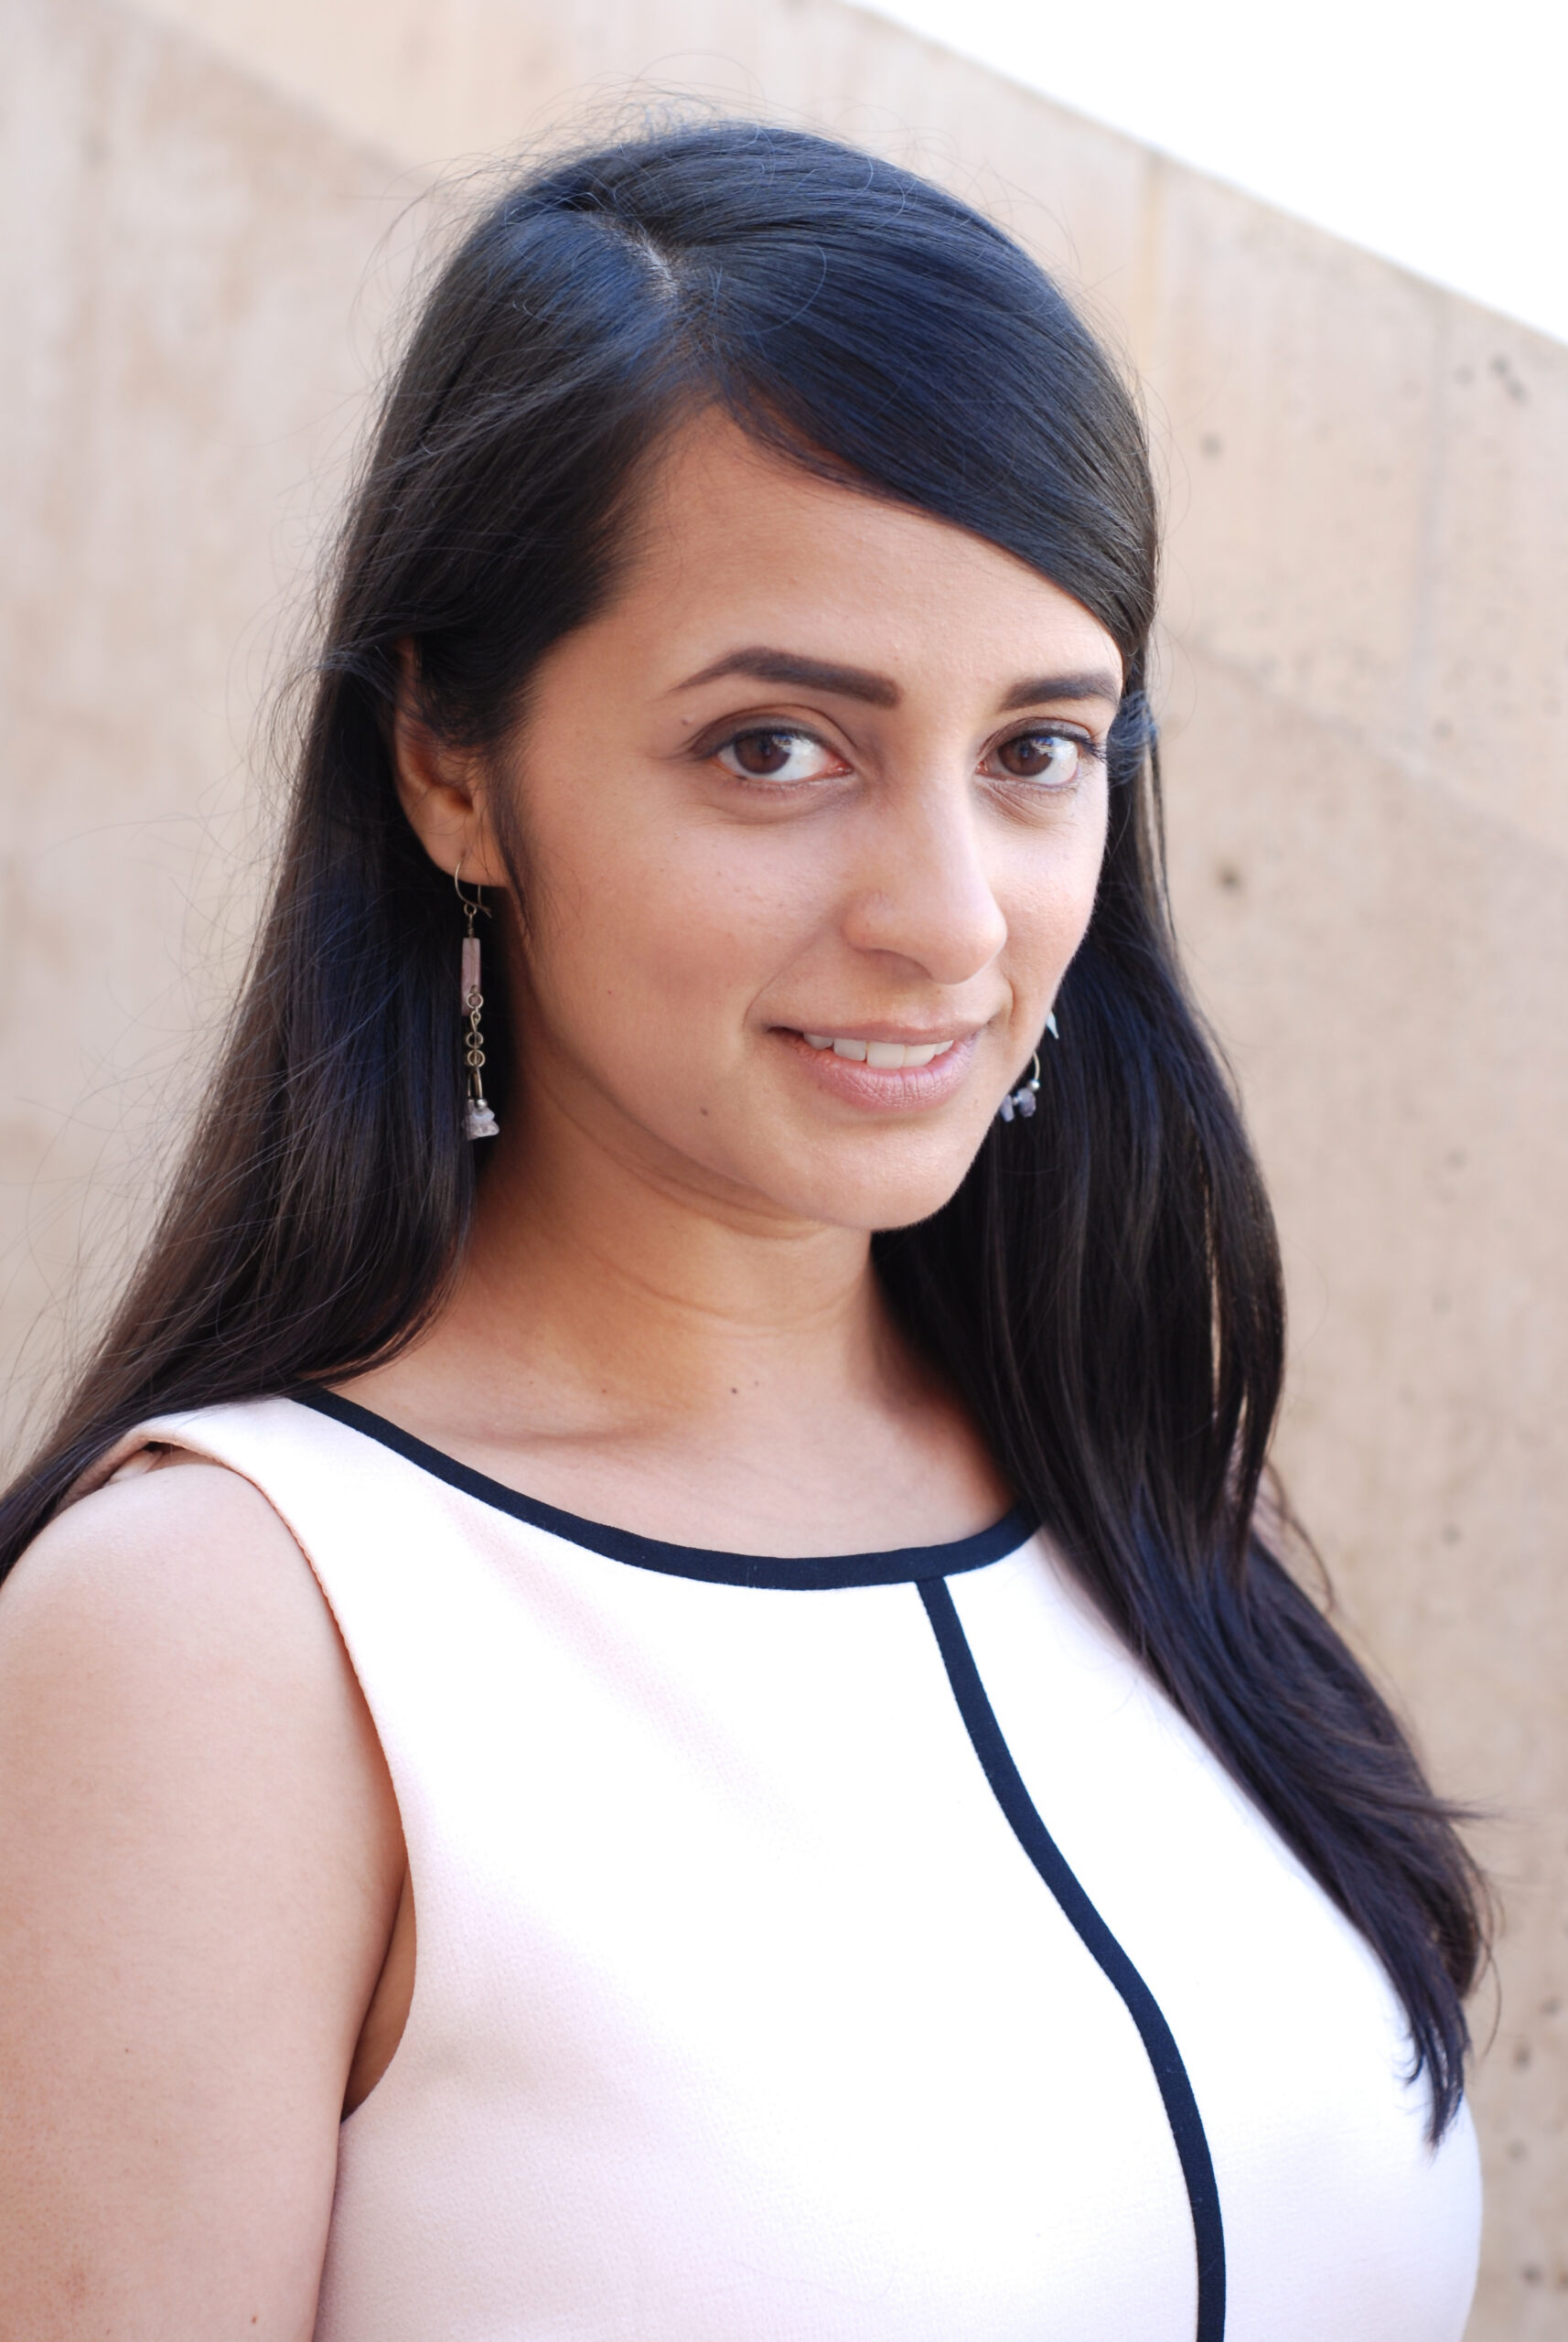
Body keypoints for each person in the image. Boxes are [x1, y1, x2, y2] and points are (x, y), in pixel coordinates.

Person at [0, 123, 1486, 2341]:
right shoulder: (220, 1633)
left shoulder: (1139, 1482)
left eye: (1037, 748)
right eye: (776, 747)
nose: (949, 919)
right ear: (449, 763)